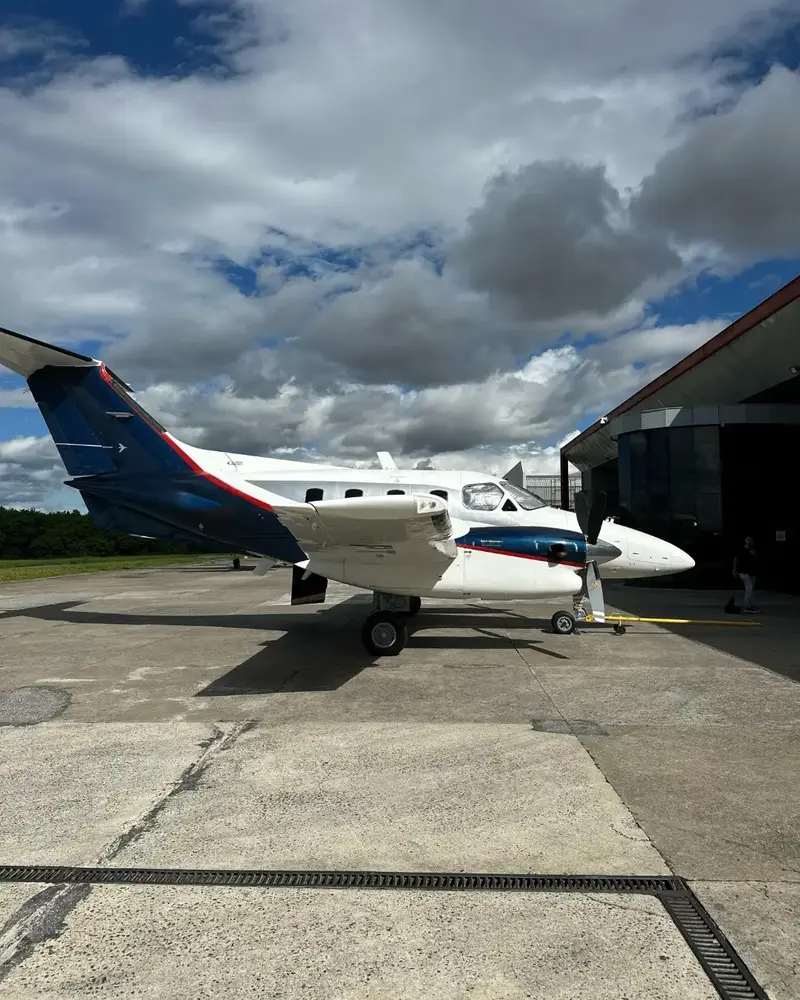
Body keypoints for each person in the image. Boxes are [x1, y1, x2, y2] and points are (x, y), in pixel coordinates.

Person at [733, 536, 759, 613]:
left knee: (750, 589)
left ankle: (749, 604)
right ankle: (747, 606)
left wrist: (754, 554)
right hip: (743, 572)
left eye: (751, 540)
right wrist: (734, 570)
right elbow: (736, 559)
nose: (749, 542)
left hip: (752, 572)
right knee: (749, 588)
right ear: (745, 541)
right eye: (748, 540)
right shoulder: (741, 550)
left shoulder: (754, 550)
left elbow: (757, 561)